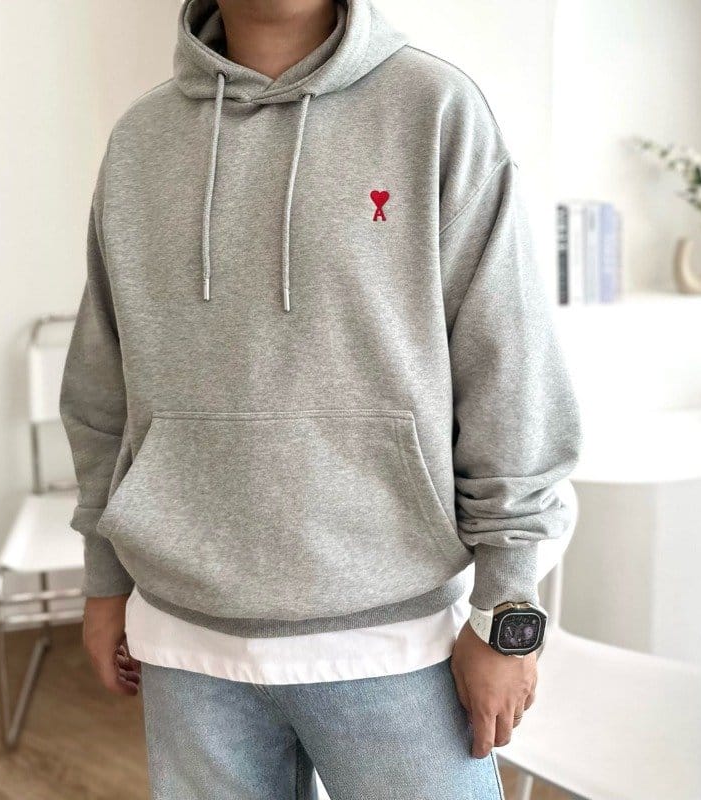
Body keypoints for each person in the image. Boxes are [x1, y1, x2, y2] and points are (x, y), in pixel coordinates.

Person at [60, 0, 582, 797]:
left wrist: (507, 613)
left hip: (397, 640)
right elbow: (104, 380)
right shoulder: (141, 140)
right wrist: (105, 580)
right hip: (186, 642)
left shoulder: (434, 108)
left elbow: (509, 371)